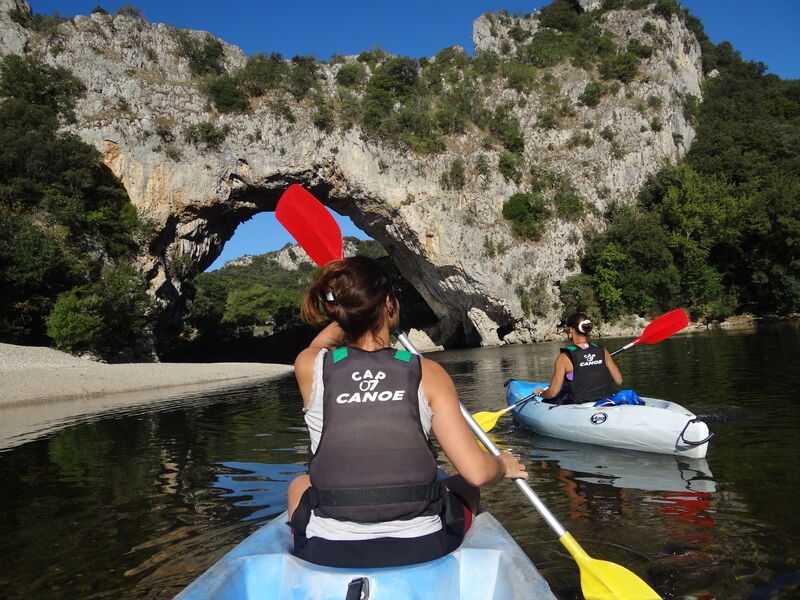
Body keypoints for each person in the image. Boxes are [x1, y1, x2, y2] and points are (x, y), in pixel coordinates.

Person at [286, 256, 527, 568]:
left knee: (299, 484)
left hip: (328, 549)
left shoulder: (310, 367)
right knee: (466, 484)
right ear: (389, 305)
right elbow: (477, 473)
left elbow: (319, 346)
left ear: (340, 313)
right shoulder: (428, 372)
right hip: (422, 546)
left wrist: (350, 313)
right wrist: (501, 465)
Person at [534, 312, 623, 404]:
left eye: (566, 328)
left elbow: (552, 393)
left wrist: (540, 393)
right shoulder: (602, 351)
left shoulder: (564, 357)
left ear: (571, 329)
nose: (566, 330)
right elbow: (619, 380)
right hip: (605, 400)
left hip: (578, 405)